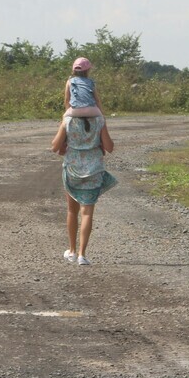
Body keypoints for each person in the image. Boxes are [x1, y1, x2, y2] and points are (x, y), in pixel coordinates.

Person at [50, 112, 116, 266]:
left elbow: (55, 147)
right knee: (87, 213)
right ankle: (82, 255)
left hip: (72, 171)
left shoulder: (68, 120)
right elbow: (109, 147)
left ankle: (72, 251)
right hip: (93, 172)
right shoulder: (99, 120)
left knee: (72, 211)